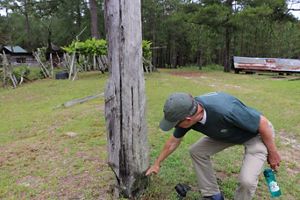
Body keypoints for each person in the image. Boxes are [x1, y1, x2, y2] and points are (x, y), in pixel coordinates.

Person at [146, 92, 281, 200]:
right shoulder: (189, 112)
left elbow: (262, 124)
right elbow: (173, 142)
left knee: (247, 181)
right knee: (197, 151)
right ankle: (213, 195)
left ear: (187, 120)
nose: (175, 127)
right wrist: (157, 163)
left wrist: (273, 153)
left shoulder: (225, 110)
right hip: (226, 134)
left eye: (175, 124)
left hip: (256, 134)